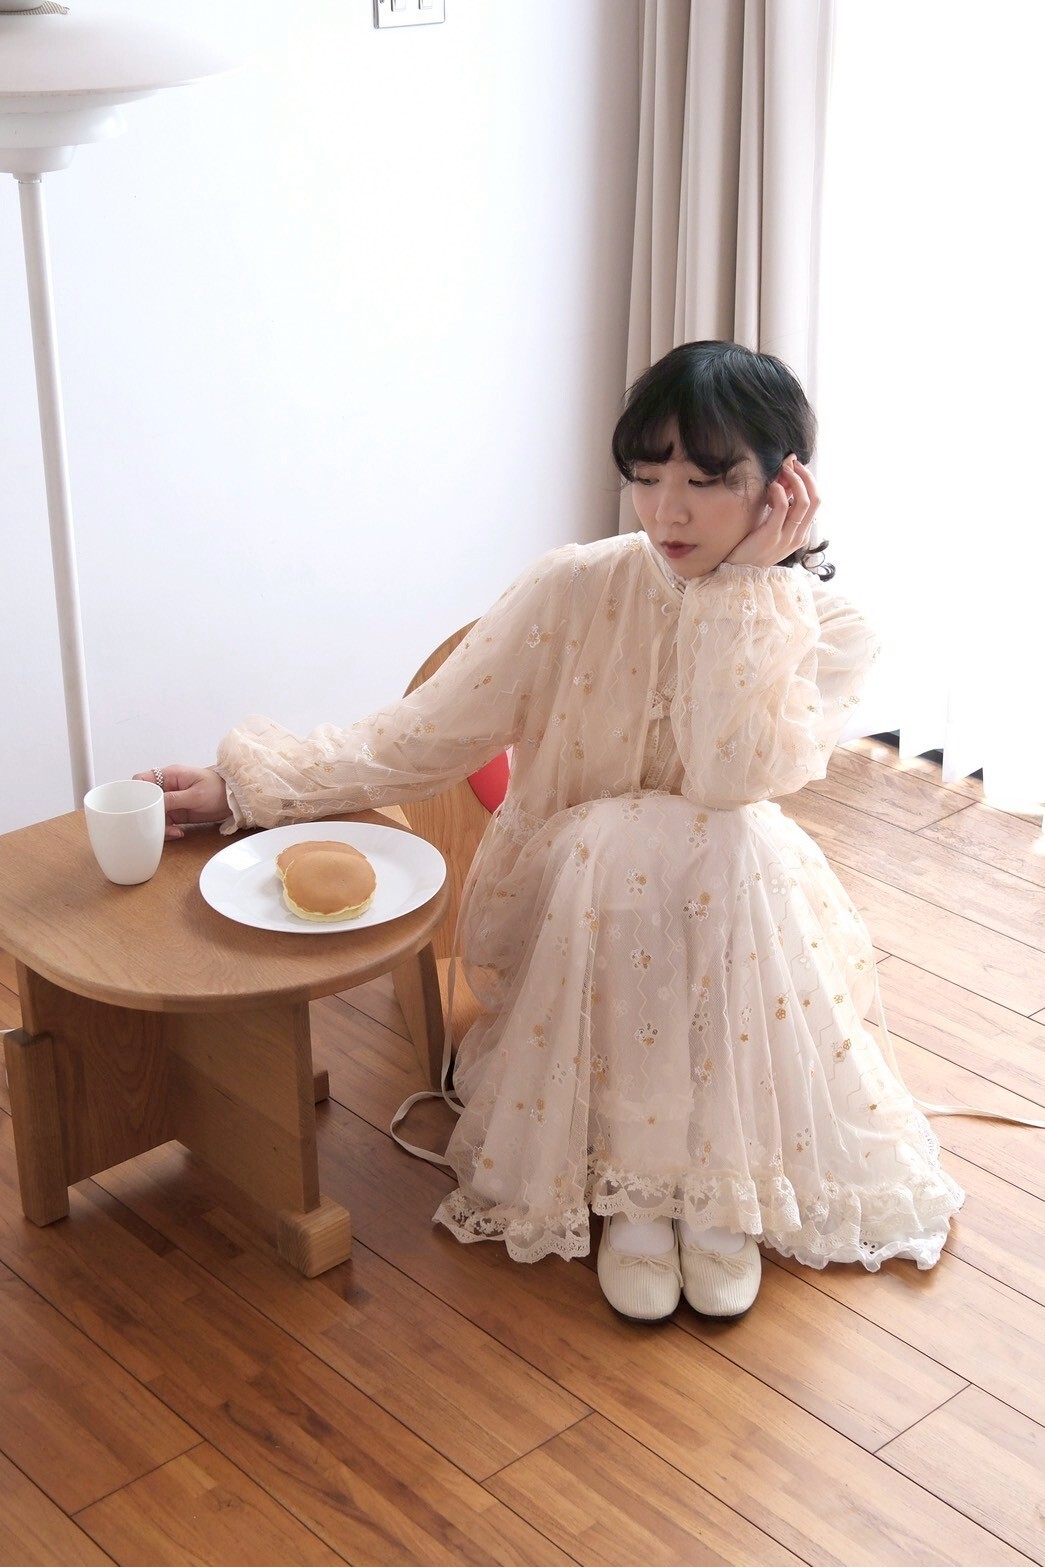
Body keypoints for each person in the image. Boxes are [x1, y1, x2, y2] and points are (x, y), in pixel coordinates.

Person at [140, 340, 965, 1323]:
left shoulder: (832, 627)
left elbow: (727, 777)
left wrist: (747, 591)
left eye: (707, 480)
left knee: (725, 836)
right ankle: (644, 1199)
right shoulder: (575, 585)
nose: (666, 510)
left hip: (725, 919)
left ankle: (711, 1191)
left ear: (784, 484)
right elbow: (420, 736)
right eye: (646, 475)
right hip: (571, 907)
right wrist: (247, 786)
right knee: (621, 842)